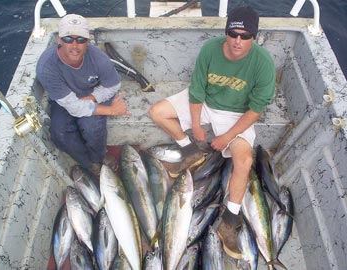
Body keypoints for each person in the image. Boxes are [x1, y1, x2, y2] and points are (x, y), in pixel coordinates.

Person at [149, 6, 275, 259]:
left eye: (245, 36)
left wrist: (227, 137)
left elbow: (255, 111)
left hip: (237, 116)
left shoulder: (263, 63)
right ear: (226, 31)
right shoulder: (210, 49)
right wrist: (196, 127)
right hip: (205, 103)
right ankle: (190, 151)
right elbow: (196, 91)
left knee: (245, 159)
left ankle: (229, 219)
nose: (238, 40)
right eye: (233, 33)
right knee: (157, 112)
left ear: (255, 36)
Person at [36, 14, 130, 179]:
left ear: (87, 41)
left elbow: (113, 85)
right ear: (59, 39)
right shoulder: (47, 67)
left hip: (92, 92)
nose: (74, 45)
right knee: (59, 134)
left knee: (92, 126)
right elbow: (73, 106)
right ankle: (89, 163)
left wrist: (92, 97)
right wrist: (112, 111)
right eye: (68, 39)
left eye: (80, 39)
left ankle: (99, 156)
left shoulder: (98, 58)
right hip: (64, 100)